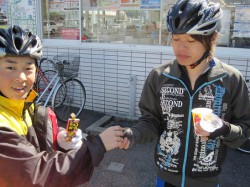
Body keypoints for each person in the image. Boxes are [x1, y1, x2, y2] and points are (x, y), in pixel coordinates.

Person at [121, 0, 250, 187]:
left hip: (207, 180)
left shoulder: (231, 79)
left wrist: (224, 129)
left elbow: (244, 129)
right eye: (176, 39)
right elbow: (151, 122)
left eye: (190, 40)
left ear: (211, 39)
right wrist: (133, 134)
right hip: (166, 178)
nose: (180, 48)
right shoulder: (159, 76)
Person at [0, 25, 125, 187]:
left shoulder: (26, 107)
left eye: (28, 67)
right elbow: (39, 174)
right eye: (11, 67)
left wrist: (60, 139)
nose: (21, 77)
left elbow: (34, 146)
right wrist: (98, 145)